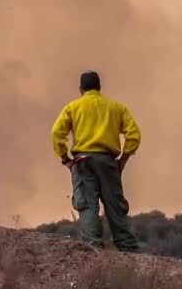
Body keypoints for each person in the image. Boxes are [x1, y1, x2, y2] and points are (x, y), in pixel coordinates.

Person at [50, 70, 141, 251]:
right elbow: (134, 135)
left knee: (87, 204)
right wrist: (123, 159)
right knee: (114, 204)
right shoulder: (116, 108)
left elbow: (56, 133)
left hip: (82, 161)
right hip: (108, 161)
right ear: (99, 87)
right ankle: (127, 248)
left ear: (80, 89)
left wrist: (65, 159)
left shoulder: (73, 107)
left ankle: (94, 249)